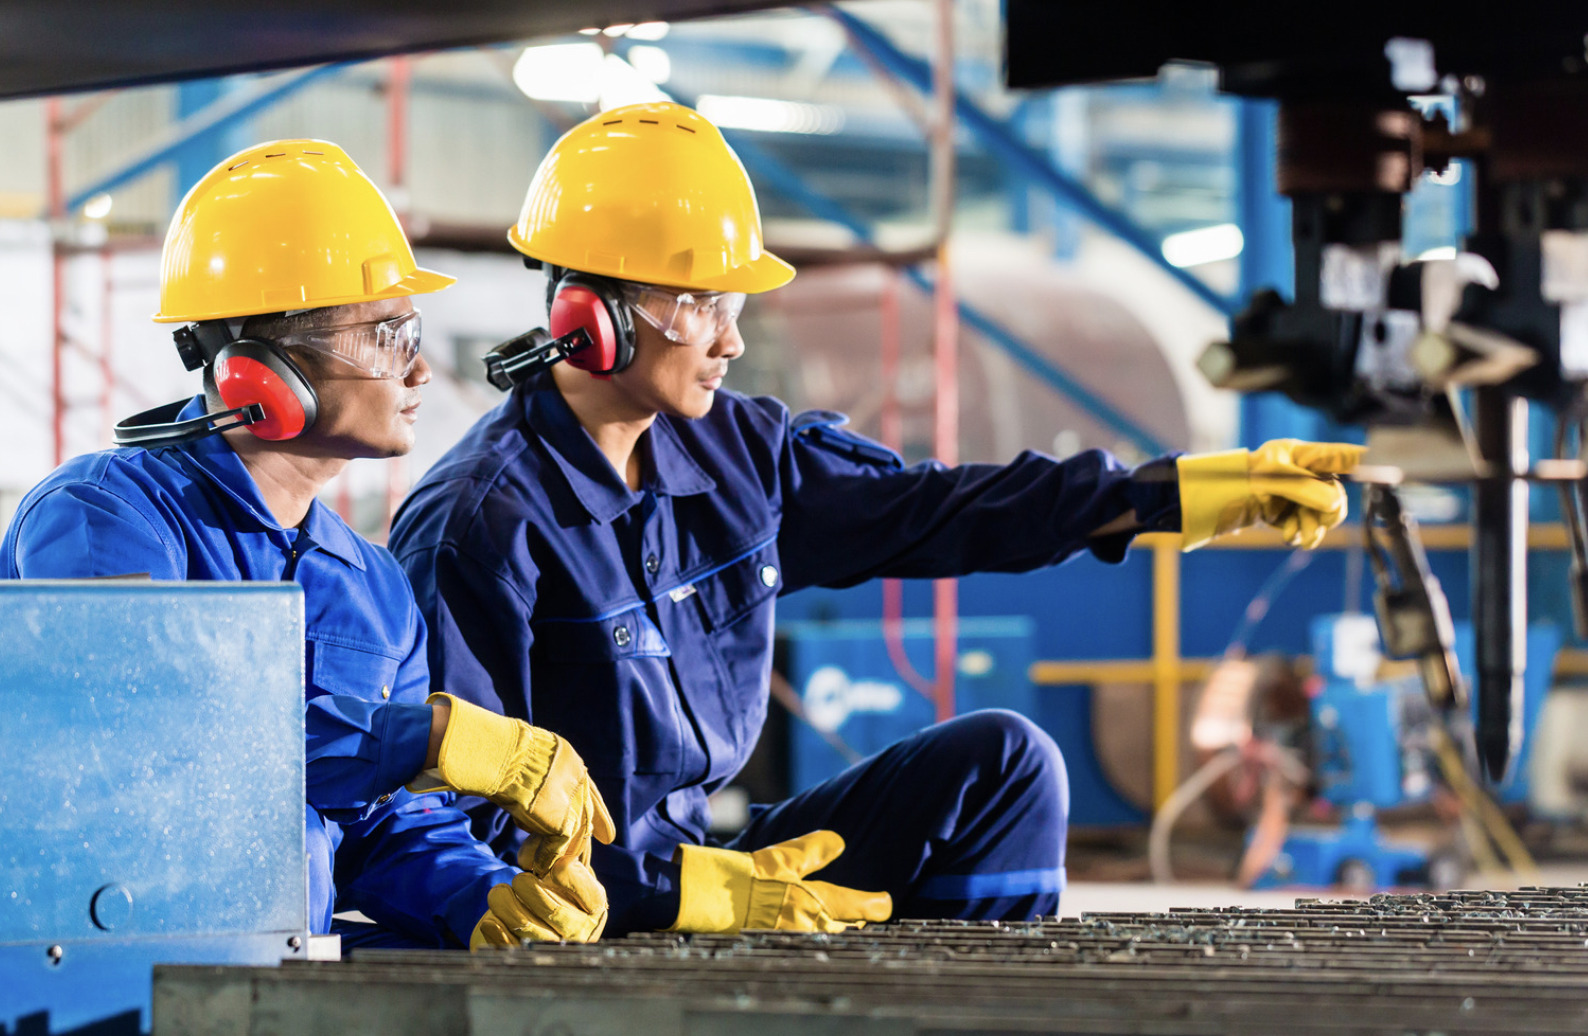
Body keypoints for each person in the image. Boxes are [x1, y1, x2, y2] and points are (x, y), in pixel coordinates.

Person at [389, 102, 1364, 937]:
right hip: (585, 907)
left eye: (733, 303)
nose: (731, 338)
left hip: (709, 859)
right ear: (585, 317)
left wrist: (1160, 495)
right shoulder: (486, 522)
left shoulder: (740, 453)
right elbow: (461, 843)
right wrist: (679, 894)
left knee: (1004, 765)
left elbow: (937, 509)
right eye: (699, 302)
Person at [1, 140, 611, 950]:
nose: (421, 370)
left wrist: (489, 903)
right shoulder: (102, 520)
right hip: (96, 961)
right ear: (261, 371)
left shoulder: (373, 585)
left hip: (262, 967)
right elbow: (161, 736)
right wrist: (423, 739)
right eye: (388, 335)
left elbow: (390, 830)